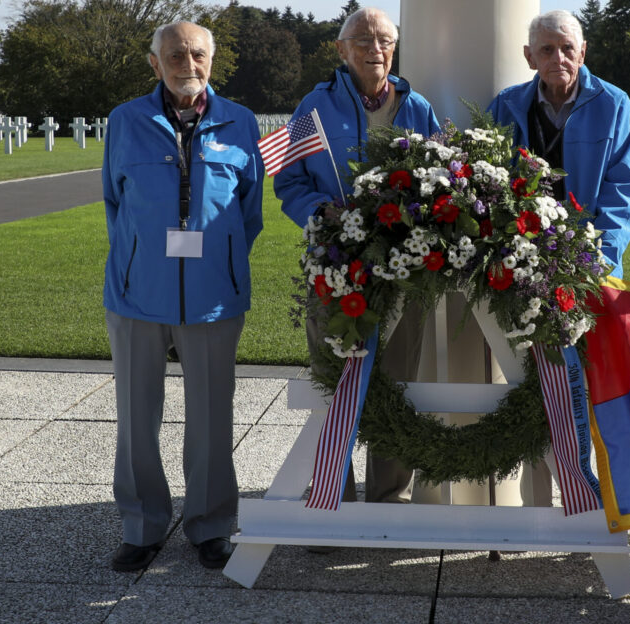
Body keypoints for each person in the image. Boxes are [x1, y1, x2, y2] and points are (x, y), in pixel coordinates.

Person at [101, 21, 263, 572]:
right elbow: (113, 203)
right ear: (154, 63)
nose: (186, 63)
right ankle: (142, 526)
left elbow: (248, 213)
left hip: (214, 296)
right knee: (134, 416)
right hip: (135, 294)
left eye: (197, 54)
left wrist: (214, 260)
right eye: (174, 54)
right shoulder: (125, 121)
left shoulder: (241, 123)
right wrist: (141, 258)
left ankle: (211, 523)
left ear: (212, 61)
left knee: (213, 415)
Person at [275, 7, 440, 507]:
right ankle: (332, 496)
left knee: (397, 380)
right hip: (334, 265)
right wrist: (321, 211)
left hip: (401, 270)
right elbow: (289, 181)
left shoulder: (418, 109)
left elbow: (439, 182)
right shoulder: (313, 107)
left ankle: (390, 500)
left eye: (385, 40)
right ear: (342, 50)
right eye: (363, 40)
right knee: (333, 380)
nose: (375, 49)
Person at [487, 9, 630, 279]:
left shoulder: (615, 106)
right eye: (547, 49)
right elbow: (488, 182)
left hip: (589, 266)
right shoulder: (506, 105)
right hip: (520, 263)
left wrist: (597, 261)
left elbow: (623, 194)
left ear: (582, 53)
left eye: (567, 48)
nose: (559, 59)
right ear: (530, 57)